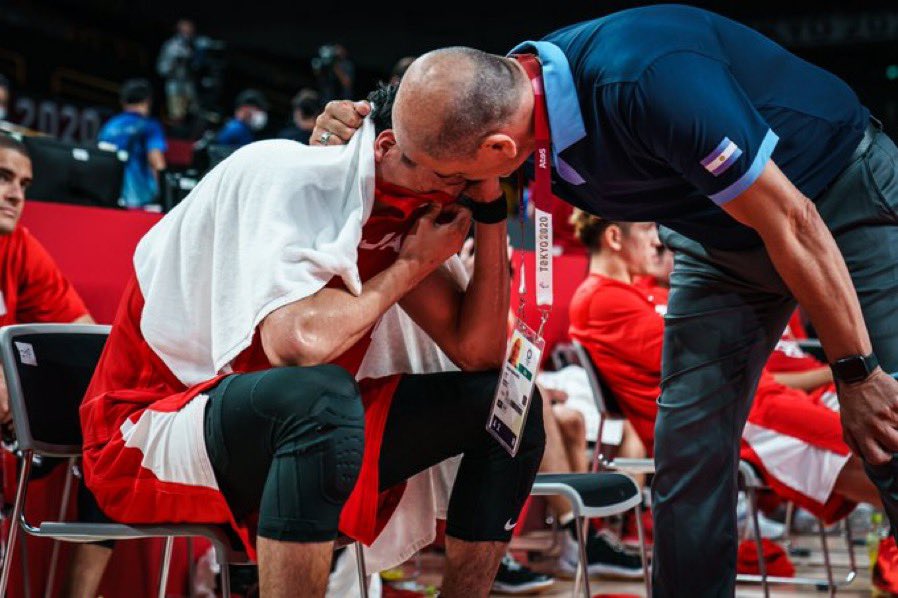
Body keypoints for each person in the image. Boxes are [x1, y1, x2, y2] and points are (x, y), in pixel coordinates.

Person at [314, 6, 898, 593]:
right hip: (716, 236)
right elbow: (422, 123)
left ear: (496, 150)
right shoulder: (506, 103)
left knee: (889, 426)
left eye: (448, 178)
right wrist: (354, 132)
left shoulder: (650, 82)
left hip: (835, 196)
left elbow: (793, 221)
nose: (444, 194)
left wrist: (857, 372)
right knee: (688, 453)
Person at [79, 84, 544, 598]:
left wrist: (491, 211)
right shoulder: (283, 170)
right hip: (151, 425)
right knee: (318, 395)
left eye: (463, 181)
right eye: (446, 175)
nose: (447, 194)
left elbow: (478, 352)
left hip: (303, 425)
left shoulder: (404, 209)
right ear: (387, 146)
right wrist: (410, 266)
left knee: (508, 410)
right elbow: (296, 345)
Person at [566, 211, 884, 566]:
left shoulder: (638, 291)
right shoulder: (599, 299)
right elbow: (698, 359)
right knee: (872, 448)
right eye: (646, 230)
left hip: (746, 401)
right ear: (613, 238)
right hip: (728, 418)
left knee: (875, 431)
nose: (658, 241)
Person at [0, 134, 110, 596]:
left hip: (10, 429)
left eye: (24, 183)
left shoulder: (18, 246)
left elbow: (84, 335)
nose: (16, 194)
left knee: (115, 426)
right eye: (4, 178)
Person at [97, 78, 168, 209]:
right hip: (142, 202)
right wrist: (165, 198)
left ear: (123, 102)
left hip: (110, 199)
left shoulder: (109, 127)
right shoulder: (150, 126)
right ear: (148, 101)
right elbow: (157, 163)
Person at [156, 18, 199, 123]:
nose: (188, 33)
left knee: (193, 111)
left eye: (190, 30)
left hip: (188, 85)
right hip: (174, 84)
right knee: (177, 115)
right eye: (185, 30)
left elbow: (196, 66)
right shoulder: (171, 46)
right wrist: (175, 62)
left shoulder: (193, 46)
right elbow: (162, 68)